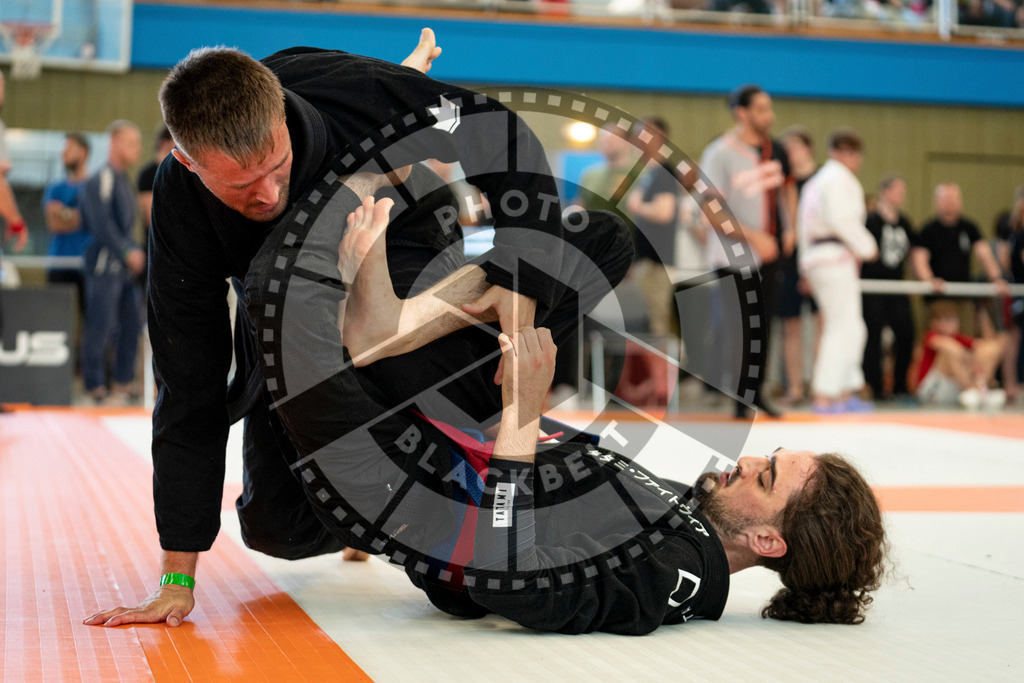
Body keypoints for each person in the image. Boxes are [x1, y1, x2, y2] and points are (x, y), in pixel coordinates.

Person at [84, 30, 572, 628]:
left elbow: (497, 129)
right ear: (187, 162)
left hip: (401, 245)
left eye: (276, 166)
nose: (267, 193)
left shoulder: (348, 92)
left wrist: (521, 269)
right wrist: (176, 577)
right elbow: (188, 384)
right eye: (240, 187)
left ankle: (474, 455)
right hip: (284, 314)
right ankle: (357, 514)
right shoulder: (181, 204)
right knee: (278, 530)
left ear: (281, 115)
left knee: (385, 343)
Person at [250, 194, 887, 633]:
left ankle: (354, 321)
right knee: (605, 238)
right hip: (456, 429)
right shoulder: (690, 507)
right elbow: (559, 468)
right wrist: (518, 369)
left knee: (274, 300)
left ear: (767, 541)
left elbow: (509, 581)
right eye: (766, 458)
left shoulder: (670, 574)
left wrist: (522, 413)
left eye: (765, 478)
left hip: (407, 490)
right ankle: (390, 318)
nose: (746, 462)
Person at [699, 84, 794, 419]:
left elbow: (788, 190)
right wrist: (756, 237)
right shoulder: (719, 153)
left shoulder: (774, 150)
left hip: (769, 254)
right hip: (733, 255)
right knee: (738, 328)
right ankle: (738, 400)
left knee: (764, 327)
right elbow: (712, 212)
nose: (770, 115)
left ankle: (756, 393)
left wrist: (790, 228)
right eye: (762, 109)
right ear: (742, 113)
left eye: (770, 108)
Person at [797, 129, 879, 414]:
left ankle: (846, 389)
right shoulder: (838, 179)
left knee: (853, 326)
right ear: (845, 153)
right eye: (855, 154)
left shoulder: (815, 181)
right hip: (834, 256)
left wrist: (804, 266)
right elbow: (842, 221)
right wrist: (868, 247)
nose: (857, 161)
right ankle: (825, 393)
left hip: (820, 257)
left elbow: (802, 228)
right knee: (840, 326)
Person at [79, 120, 145, 405]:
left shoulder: (124, 180)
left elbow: (128, 226)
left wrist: (134, 251)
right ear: (114, 143)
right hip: (105, 265)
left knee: (132, 324)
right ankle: (94, 385)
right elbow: (101, 224)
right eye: (131, 143)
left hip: (125, 269)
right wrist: (126, 251)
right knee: (100, 325)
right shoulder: (102, 178)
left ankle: (122, 382)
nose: (137, 149)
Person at [912, 183, 1007, 335]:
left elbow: (984, 254)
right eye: (946, 198)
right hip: (939, 297)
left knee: (966, 337)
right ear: (937, 201)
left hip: (964, 295)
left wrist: (996, 278)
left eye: (954, 198)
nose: (950, 202)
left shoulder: (969, 227)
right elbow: (920, 259)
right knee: (941, 340)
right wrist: (930, 280)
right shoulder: (928, 230)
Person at [624, 116, 683, 337]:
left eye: (645, 133)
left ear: (660, 136)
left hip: (657, 262)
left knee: (658, 324)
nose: (639, 139)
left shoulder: (664, 172)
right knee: (646, 322)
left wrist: (638, 206)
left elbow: (664, 212)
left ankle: (664, 361)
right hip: (646, 260)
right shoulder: (649, 173)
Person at [861, 175, 917, 402]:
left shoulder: (904, 222)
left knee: (906, 333)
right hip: (873, 286)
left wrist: (914, 280)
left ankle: (900, 385)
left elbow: (912, 254)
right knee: (873, 337)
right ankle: (875, 387)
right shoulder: (870, 220)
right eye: (897, 190)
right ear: (884, 191)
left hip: (896, 286)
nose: (901, 195)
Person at [777, 125, 821, 406]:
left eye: (796, 146)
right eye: (787, 148)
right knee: (790, 326)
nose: (791, 152)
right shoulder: (783, 183)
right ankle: (794, 387)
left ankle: (819, 385)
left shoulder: (822, 180)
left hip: (817, 258)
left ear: (808, 148)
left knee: (820, 323)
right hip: (789, 261)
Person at [916, 300, 1007, 410]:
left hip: (954, 389)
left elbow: (989, 347)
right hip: (932, 390)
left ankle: (980, 390)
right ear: (934, 323)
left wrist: (980, 358)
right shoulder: (931, 336)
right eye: (947, 320)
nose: (952, 324)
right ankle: (973, 389)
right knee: (950, 353)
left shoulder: (958, 338)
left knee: (990, 349)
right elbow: (952, 348)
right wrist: (970, 359)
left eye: (954, 319)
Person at [43, 132, 92, 314]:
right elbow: (53, 223)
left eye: (69, 148)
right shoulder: (55, 189)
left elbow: (93, 221)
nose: (64, 153)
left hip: (87, 264)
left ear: (84, 152)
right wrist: (78, 216)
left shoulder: (93, 187)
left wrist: (63, 212)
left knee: (91, 319)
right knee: (57, 318)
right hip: (59, 263)